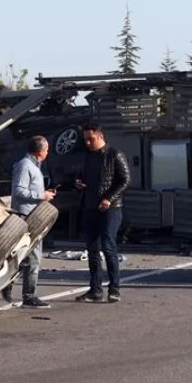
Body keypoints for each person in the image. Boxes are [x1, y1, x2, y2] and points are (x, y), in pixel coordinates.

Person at [73, 123, 130, 303]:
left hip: (110, 209)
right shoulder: (86, 157)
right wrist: (78, 183)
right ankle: (95, 289)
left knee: (108, 246)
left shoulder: (114, 155)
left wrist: (109, 198)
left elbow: (125, 180)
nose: (88, 143)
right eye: (85, 140)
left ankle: (114, 288)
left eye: (91, 139)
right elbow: (80, 176)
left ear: (100, 136)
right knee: (92, 250)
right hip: (90, 207)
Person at [2, 135, 58, 308]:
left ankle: (9, 284)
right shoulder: (25, 166)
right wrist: (42, 196)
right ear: (41, 151)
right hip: (26, 217)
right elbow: (19, 191)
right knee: (33, 258)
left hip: (33, 216)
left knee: (26, 257)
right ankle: (29, 296)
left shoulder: (32, 166)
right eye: (47, 149)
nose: (48, 152)